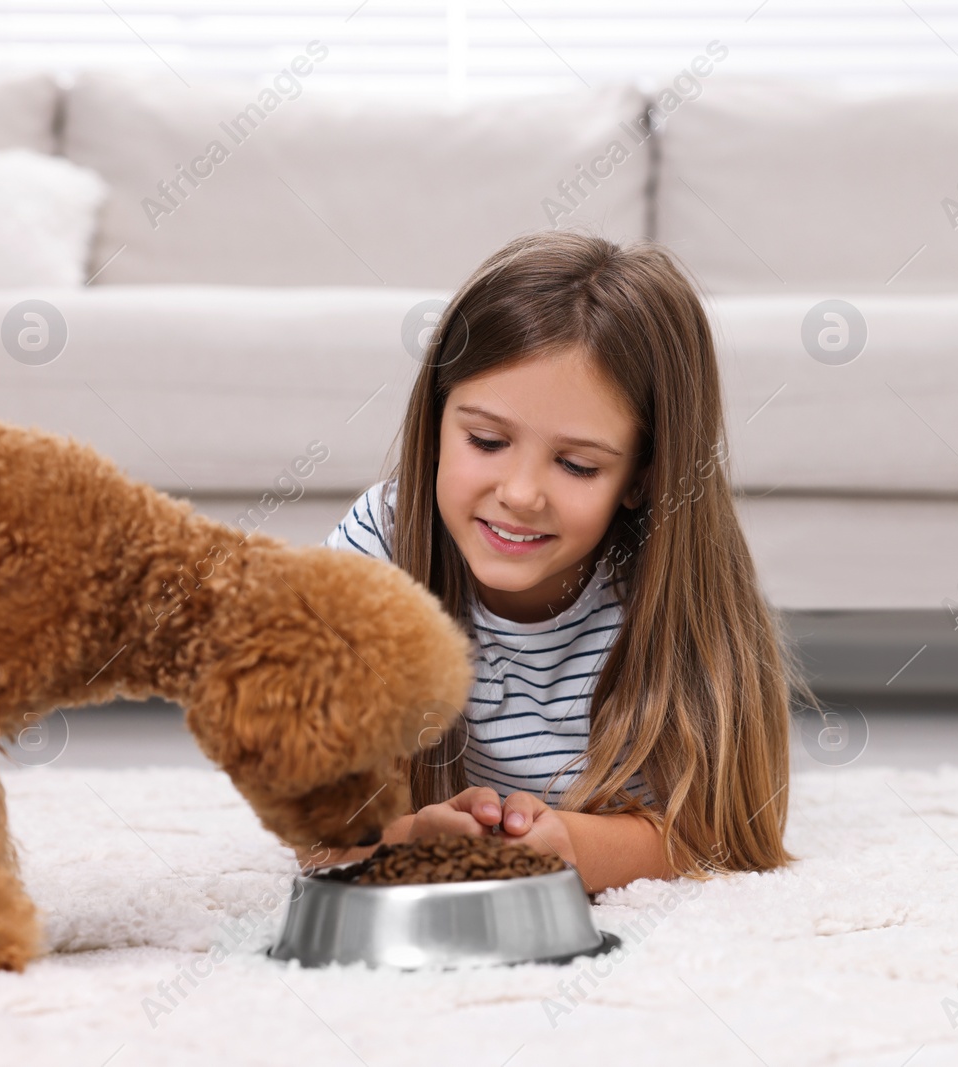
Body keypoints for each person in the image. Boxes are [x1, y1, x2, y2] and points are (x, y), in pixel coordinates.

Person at [307, 230, 814, 892]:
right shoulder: (380, 545)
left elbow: (722, 831)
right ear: (436, 422)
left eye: (577, 464)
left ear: (642, 477)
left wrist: (572, 845)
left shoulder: (674, 581)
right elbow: (318, 822)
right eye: (486, 440)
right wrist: (406, 841)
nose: (520, 494)